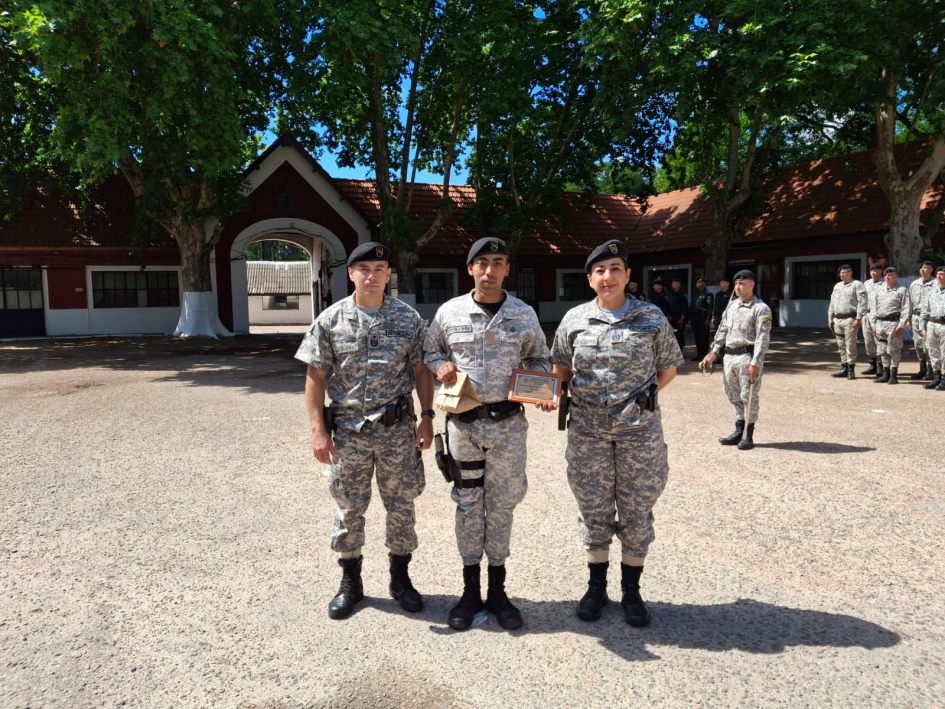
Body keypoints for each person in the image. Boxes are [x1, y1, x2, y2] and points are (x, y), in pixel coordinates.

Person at [541, 239, 681, 627]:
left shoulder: (651, 317)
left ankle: (631, 592)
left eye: (615, 269)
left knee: (637, 507)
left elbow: (668, 369)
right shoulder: (574, 320)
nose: (608, 277)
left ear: (627, 275)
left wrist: (637, 402)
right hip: (587, 432)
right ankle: (596, 588)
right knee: (593, 507)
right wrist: (554, 395)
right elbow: (561, 371)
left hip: (639, 434)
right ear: (590, 279)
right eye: (600, 271)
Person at [295, 242, 435, 620]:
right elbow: (315, 376)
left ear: (389, 275)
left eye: (379, 269)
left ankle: (400, 579)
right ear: (351, 274)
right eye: (364, 269)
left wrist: (427, 417)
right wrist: (318, 431)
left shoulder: (408, 319)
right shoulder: (331, 320)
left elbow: (422, 370)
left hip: (397, 432)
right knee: (348, 507)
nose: (371, 276)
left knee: (401, 505)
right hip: (348, 433)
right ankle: (350, 581)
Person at [423, 237, 551, 631]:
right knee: (467, 503)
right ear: (470, 269)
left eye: (498, 262)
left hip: (508, 427)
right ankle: (469, 591)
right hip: (464, 426)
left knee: (501, 505)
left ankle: (497, 590)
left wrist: (541, 390)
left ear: (507, 269)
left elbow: (540, 359)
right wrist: (441, 365)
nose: (490, 270)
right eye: (482, 263)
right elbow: (430, 350)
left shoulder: (523, 313)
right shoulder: (449, 312)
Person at [701, 270, 772, 450]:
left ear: (751, 285)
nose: (738, 287)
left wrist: (756, 362)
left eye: (742, 284)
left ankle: (748, 434)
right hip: (730, 357)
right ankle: (739, 430)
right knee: (732, 394)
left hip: (747, 357)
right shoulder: (732, 306)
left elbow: (763, 338)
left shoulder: (761, 308)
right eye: (736, 284)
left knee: (749, 396)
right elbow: (722, 330)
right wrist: (714, 351)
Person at [871, 266, 912, 385]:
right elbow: (873, 308)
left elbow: (906, 308)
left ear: (896, 276)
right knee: (882, 350)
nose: (888, 277)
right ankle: (885, 373)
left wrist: (901, 325)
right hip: (880, 323)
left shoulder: (902, 290)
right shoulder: (879, 290)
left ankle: (893, 374)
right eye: (886, 275)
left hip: (894, 324)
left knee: (894, 350)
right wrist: (873, 324)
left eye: (890, 275)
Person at [827, 264, 867, 380]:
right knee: (841, 345)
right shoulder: (837, 286)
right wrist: (830, 318)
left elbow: (863, 302)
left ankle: (851, 369)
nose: (842, 275)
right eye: (841, 273)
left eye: (844, 273)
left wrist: (858, 318)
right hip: (837, 320)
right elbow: (832, 302)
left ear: (850, 272)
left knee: (850, 345)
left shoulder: (857, 285)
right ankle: (844, 368)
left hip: (850, 319)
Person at [908, 260, 936, 380]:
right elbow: (910, 303)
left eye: (926, 268)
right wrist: (907, 319)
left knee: (929, 344)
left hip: (929, 318)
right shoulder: (914, 284)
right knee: (918, 344)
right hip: (915, 318)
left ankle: (931, 370)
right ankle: (922, 369)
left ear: (931, 270)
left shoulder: (936, 283)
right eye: (921, 268)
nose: (923, 270)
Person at [924, 265, 945, 391]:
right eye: (937, 274)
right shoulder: (932, 291)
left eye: (942, 274)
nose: (938, 276)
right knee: (933, 352)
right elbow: (925, 310)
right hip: (932, 325)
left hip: (944, 325)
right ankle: (936, 377)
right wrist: (923, 327)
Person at [862, 263, 885, 376]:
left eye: (875, 271)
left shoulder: (885, 284)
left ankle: (881, 366)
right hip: (867, 314)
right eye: (871, 271)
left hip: (878, 316)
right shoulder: (866, 284)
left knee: (878, 340)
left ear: (880, 271)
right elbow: (861, 300)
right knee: (868, 340)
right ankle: (872, 365)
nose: (873, 273)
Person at [688, 276, 715, 361]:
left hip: (703, 318)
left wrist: (708, 319)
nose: (697, 284)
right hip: (694, 318)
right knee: (697, 337)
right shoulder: (694, 293)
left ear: (704, 284)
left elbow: (710, 307)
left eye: (699, 282)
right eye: (697, 282)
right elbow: (692, 306)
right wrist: (690, 318)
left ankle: (704, 354)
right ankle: (699, 354)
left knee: (703, 337)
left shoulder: (708, 294)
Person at [666, 277, 689, 353]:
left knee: (679, 335)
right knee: (672, 335)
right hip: (671, 317)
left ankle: (679, 350)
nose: (673, 285)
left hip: (679, 317)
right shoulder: (670, 294)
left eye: (674, 283)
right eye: (672, 283)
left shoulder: (682, 295)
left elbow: (685, 307)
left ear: (679, 284)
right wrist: (667, 316)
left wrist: (682, 318)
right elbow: (668, 306)